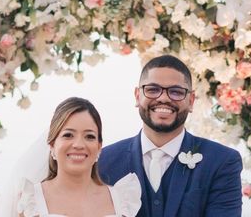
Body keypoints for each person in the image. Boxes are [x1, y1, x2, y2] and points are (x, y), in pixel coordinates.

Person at [99, 55, 243, 217]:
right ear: (138, 96)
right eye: (153, 90)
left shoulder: (221, 161)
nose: (163, 98)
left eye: (176, 92)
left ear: (191, 101)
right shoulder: (104, 161)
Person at [17, 97, 141, 217]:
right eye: (68, 135)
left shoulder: (122, 200)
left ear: (99, 147)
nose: (79, 145)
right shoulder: (31, 202)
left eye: (89, 136)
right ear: (52, 145)